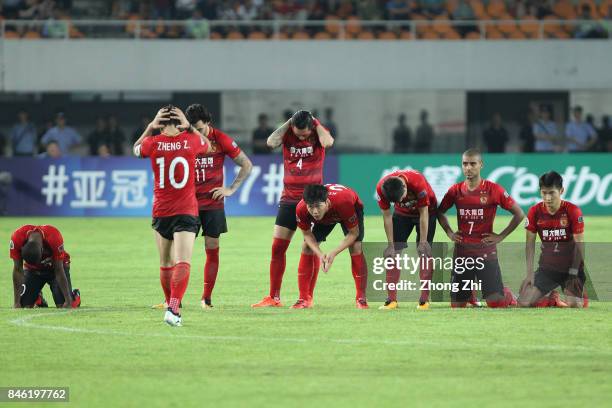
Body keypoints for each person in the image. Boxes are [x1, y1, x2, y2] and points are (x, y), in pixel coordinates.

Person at [156, 103, 252, 309]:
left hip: (212, 205)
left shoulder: (221, 139)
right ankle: (173, 300)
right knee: (173, 254)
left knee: (212, 248)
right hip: (185, 205)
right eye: (190, 128)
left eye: (198, 128)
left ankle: (206, 298)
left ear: (208, 123)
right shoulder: (184, 137)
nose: (195, 132)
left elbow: (246, 164)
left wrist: (231, 189)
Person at [133, 105, 210, 326]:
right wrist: (190, 128)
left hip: (161, 211)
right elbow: (206, 145)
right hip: (185, 209)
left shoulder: (152, 143)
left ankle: (170, 306)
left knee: (166, 262)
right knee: (183, 261)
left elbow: (135, 149)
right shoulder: (191, 140)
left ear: (160, 123)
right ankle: (173, 308)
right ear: (181, 121)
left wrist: (149, 127)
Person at [252, 110, 334, 308]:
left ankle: (306, 297)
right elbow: (271, 143)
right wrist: (288, 123)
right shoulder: (288, 132)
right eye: (297, 133)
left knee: (310, 248)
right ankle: (274, 297)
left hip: (312, 201)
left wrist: (315, 123)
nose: (300, 137)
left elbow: (328, 142)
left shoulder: (318, 132)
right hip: (289, 199)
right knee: (277, 247)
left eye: (304, 134)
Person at [437, 148, 525, 308]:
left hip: (486, 253)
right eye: (465, 164)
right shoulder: (455, 191)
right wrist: (449, 232)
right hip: (462, 253)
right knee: (457, 306)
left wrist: (501, 236)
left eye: (472, 164)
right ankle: (469, 293)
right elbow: (440, 212)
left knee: (496, 304)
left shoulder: (493, 189)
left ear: (481, 165)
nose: (468, 168)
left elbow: (519, 214)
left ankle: (509, 295)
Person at [293, 184, 368, 309]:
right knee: (307, 246)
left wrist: (333, 253)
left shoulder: (343, 202)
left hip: (348, 209)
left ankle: (361, 298)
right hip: (326, 217)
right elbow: (307, 234)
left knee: (355, 246)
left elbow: (354, 233)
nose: (315, 211)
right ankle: (303, 299)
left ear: (327, 202)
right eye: (311, 207)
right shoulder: (301, 209)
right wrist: (320, 254)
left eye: (318, 206)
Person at [518, 171, 587, 308]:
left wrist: (574, 271)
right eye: (544, 193)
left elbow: (580, 245)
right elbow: (529, 245)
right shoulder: (535, 212)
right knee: (523, 303)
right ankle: (552, 298)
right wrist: (530, 274)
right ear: (540, 192)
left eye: (552, 193)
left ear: (561, 191)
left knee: (575, 305)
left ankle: (578, 294)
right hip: (547, 269)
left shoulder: (572, 211)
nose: (548, 198)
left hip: (570, 269)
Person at [375, 169, 437, 310]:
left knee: (424, 252)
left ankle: (424, 300)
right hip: (402, 215)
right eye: (397, 201)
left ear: (405, 187)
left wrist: (423, 241)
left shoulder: (417, 182)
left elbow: (424, 213)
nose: (402, 200)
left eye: (402, 197)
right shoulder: (381, 188)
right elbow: (387, 216)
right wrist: (390, 245)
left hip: (427, 212)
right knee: (393, 254)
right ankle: (391, 300)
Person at [10, 224, 80, 308]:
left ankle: (74, 296)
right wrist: (16, 302)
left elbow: (59, 269)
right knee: (24, 305)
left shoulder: (54, 236)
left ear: (42, 250)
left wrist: (68, 300)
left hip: (55, 269)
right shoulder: (17, 238)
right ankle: (37, 297)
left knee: (63, 305)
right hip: (32, 270)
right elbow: (18, 270)